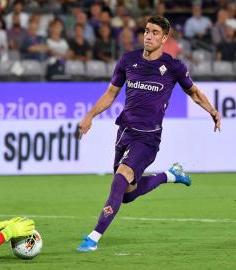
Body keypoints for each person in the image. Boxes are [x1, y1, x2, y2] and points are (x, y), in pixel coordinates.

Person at [76, 16, 221, 252]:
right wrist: (90, 116)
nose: (148, 36)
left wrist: (212, 110)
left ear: (164, 38)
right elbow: (111, 93)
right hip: (124, 132)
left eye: (155, 32)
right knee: (126, 194)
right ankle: (169, 175)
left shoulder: (173, 67)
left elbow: (194, 92)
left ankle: (93, 237)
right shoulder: (128, 60)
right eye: (146, 31)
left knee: (120, 178)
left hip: (148, 137)